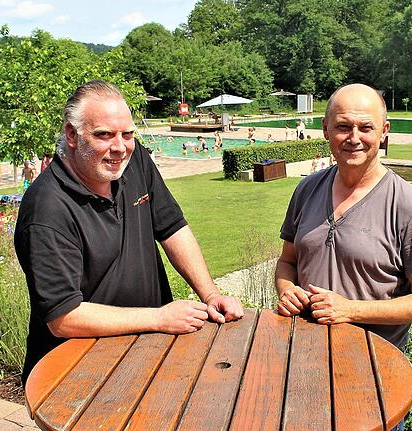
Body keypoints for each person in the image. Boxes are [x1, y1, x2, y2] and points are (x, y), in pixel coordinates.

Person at [14, 80, 244, 384]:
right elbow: (63, 317)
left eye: (127, 134)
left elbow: (172, 226)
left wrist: (210, 293)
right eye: (104, 135)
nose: (119, 148)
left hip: (145, 352)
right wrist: (159, 318)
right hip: (76, 372)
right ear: (72, 134)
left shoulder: (134, 162)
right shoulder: (47, 208)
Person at [275, 83, 412, 356]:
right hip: (304, 351)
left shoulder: (407, 205)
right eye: (343, 126)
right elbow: (287, 261)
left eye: (366, 128)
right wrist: (286, 289)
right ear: (325, 129)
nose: (354, 138)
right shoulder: (307, 190)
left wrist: (349, 310)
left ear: (384, 133)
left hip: (374, 361)